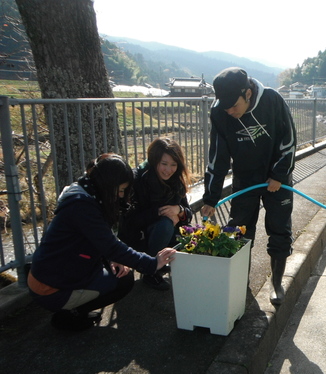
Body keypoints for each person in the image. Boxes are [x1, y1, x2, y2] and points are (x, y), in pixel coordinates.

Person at [28, 153, 176, 331]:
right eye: (119, 190)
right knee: (123, 281)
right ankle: (69, 314)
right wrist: (152, 263)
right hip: (50, 288)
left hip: (55, 273)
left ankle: (72, 308)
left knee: (120, 270)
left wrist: (113, 257)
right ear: (107, 185)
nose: (121, 196)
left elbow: (103, 241)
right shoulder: (82, 207)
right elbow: (111, 246)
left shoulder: (83, 192)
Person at [200, 67, 297, 305]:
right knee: (240, 231)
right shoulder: (220, 113)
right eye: (225, 106)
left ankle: (276, 283)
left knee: (279, 230)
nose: (230, 111)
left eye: (234, 105)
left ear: (248, 93)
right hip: (245, 179)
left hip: (277, 178)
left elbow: (289, 141)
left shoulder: (272, 100)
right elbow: (217, 158)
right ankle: (240, 283)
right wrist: (210, 198)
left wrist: (278, 175)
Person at [119, 137, 192, 291]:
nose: (168, 170)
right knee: (165, 224)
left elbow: (188, 215)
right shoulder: (138, 180)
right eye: (164, 164)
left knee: (188, 232)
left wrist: (179, 210)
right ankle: (150, 270)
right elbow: (130, 221)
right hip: (139, 236)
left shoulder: (176, 181)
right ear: (154, 160)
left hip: (162, 232)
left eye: (173, 165)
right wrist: (160, 212)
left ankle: (160, 261)